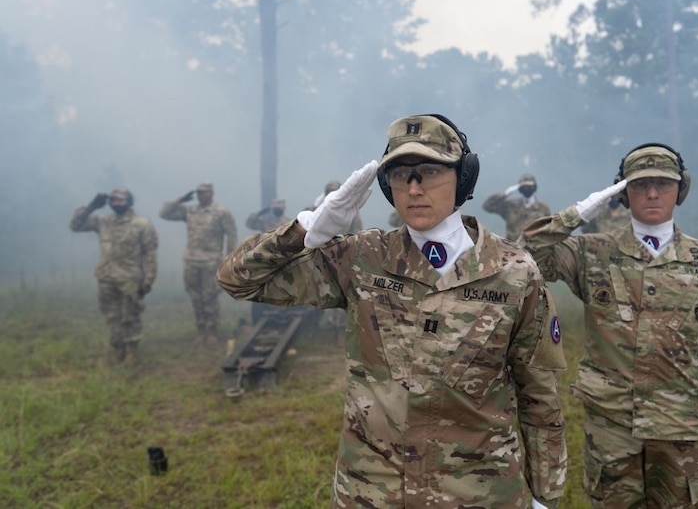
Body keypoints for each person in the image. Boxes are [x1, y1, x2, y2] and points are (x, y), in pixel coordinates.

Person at [217, 114, 567, 508]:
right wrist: (306, 230)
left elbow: (539, 395)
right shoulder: (361, 258)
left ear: (463, 178)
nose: (414, 188)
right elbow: (238, 280)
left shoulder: (514, 272)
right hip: (372, 492)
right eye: (401, 175)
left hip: (478, 493)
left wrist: (546, 496)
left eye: (430, 171)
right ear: (387, 186)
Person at [523, 143, 698, 508]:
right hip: (612, 428)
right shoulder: (592, 253)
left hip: (681, 429)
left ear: (680, 191)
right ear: (622, 193)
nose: (652, 193)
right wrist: (579, 212)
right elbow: (526, 256)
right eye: (639, 185)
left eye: (663, 184)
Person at [70, 188, 158, 364]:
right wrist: (91, 207)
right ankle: (117, 350)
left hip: (130, 278)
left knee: (130, 316)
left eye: (121, 200)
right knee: (112, 316)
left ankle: (132, 352)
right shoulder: (103, 221)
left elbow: (150, 254)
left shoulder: (142, 224)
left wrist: (148, 280)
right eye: (114, 200)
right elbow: (75, 225)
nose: (117, 203)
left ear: (129, 202)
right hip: (106, 276)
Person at [160, 182, 237, 346]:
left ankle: (212, 331)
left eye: (206, 192)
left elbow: (231, 235)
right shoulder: (190, 211)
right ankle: (201, 330)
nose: (203, 195)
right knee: (195, 297)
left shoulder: (221, 212)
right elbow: (164, 213)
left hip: (211, 260)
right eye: (200, 193)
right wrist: (179, 200)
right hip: (191, 260)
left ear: (212, 193)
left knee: (210, 297)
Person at [483, 173, 551, 242]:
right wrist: (504, 194)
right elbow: (487, 206)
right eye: (524, 186)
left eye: (529, 186)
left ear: (534, 187)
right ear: (520, 189)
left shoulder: (543, 208)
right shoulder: (510, 205)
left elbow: (549, 229)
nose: (527, 188)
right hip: (511, 247)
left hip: (533, 248)